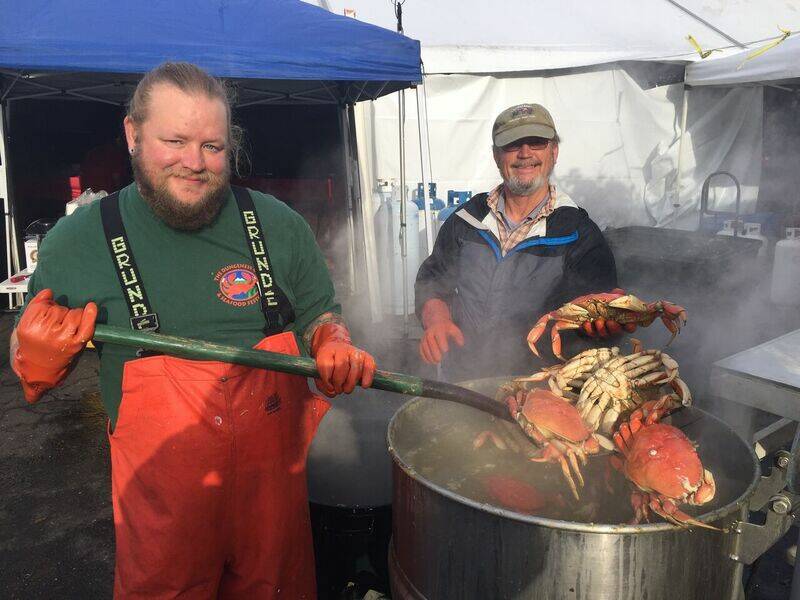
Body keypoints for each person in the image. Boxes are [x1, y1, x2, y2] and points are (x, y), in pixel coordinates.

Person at [10, 62, 376, 599]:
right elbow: (26, 362)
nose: (194, 163)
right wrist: (34, 356)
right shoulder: (77, 241)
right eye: (174, 140)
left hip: (271, 512)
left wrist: (332, 340)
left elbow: (321, 312)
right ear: (133, 134)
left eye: (212, 146)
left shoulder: (278, 225)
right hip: (163, 520)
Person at [415, 102, 624, 383]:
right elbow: (432, 280)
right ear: (495, 155)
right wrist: (436, 320)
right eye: (512, 144)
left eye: (536, 142)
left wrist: (606, 324)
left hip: (542, 391)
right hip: (464, 382)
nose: (525, 153)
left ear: (554, 152)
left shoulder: (580, 234)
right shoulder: (466, 219)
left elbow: (599, 319)